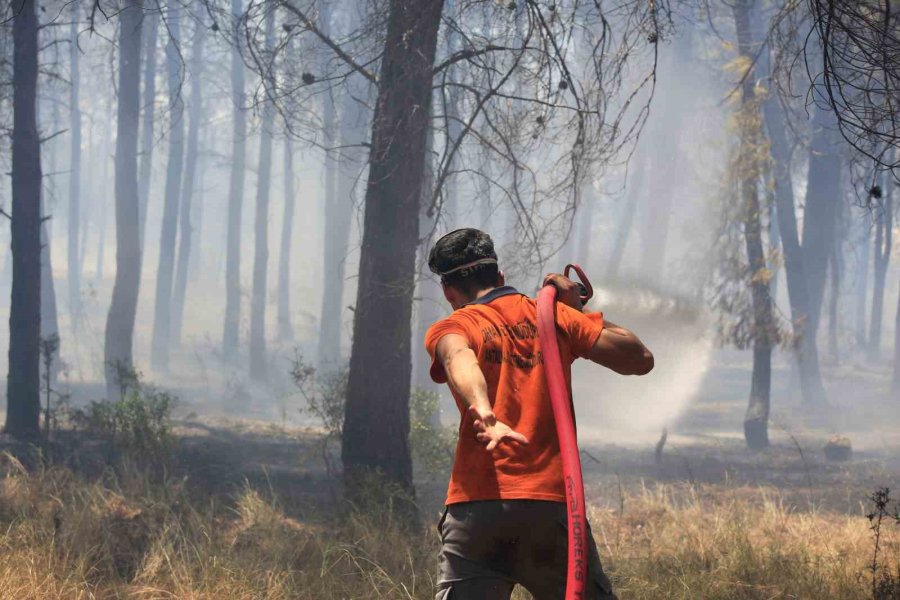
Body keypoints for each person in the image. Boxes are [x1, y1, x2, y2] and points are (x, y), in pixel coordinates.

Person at [424, 228, 654, 600]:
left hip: (476, 511)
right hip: (549, 510)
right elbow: (639, 359)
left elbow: (457, 356)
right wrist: (576, 311)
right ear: (499, 276)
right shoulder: (553, 318)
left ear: (448, 292)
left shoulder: (455, 325)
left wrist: (484, 411)